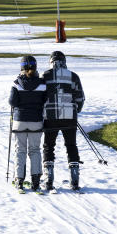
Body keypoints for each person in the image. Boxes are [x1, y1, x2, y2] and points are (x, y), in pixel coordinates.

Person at [41, 50, 85, 190]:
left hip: (50, 116)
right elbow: (80, 98)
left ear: (51, 62)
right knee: (71, 145)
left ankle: (49, 178)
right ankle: (75, 178)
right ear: (64, 62)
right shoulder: (73, 76)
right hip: (70, 117)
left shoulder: (45, 76)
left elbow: (40, 96)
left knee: (49, 146)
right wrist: (76, 110)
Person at [8, 55, 46, 192]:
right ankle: (36, 181)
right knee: (35, 150)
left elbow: (12, 102)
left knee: (20, 150)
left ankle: (19, 180)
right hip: (36, 121)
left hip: (20, 121)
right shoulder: (42, 83)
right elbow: (44, 100)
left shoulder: (16, 83)